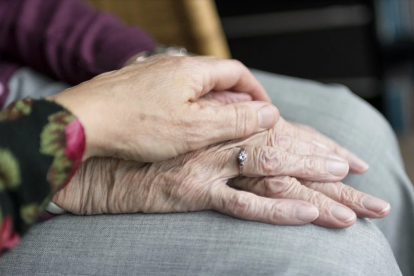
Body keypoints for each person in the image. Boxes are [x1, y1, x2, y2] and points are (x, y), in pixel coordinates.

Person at [0, 0, 411, 275]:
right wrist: (82, 170)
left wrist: (145, 67)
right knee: (335, 257)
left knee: (359, 132)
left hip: (25, 81)